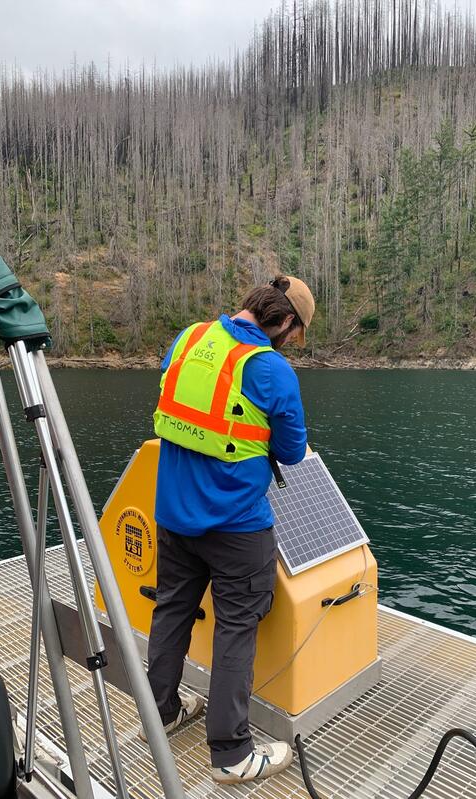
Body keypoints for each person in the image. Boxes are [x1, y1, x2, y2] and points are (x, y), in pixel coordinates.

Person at [145, 274, 315, 785]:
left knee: (171, 610)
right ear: (284, 322)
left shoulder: (189, 338)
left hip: (173, 515)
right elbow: (290, 452)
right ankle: (232, 754)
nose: (291, 342)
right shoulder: (272, 371)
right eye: (295, 333)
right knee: (236, 630)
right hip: (238, 529)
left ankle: (163, 713)